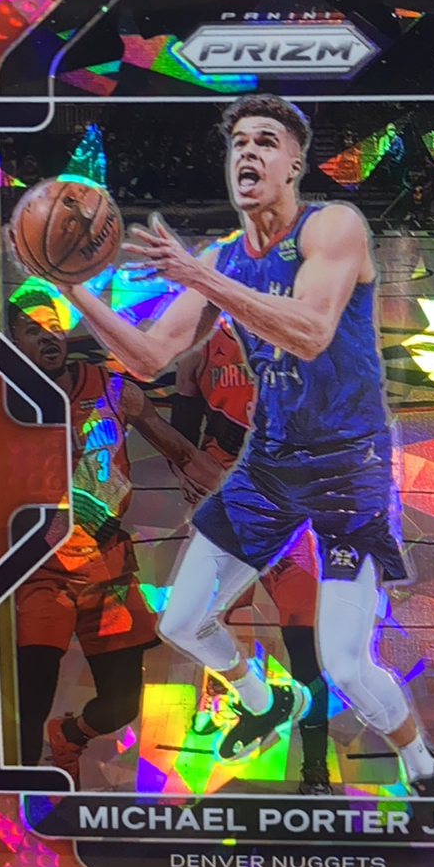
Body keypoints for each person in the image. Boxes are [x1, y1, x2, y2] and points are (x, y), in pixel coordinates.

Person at [61, 93, 434, 797]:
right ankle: (265, 700)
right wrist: (71, 287)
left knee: (344, 662)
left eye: (267, 140)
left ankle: (422, 764)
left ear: (296, 162)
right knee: (181, 620)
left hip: (347, 471)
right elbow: (149, 357)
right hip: (270, 467)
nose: (248, 151)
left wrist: (202, 277)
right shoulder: (222, 257)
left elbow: (311, 331)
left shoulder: (332, 226)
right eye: (239, 141)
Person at [8, 284, 223, 786]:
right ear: (12, 341)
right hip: (41, 568)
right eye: (33, 331)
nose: (48, 338)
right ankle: (19, 800)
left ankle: (70, 735)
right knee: (29, 701)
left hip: (106, 565)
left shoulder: (112, 387)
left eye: (54, 327)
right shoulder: (3, 401)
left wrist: (242, 496)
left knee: (123, 703)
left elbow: (182, 452)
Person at [171, 321, 332, 795]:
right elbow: (184, 430)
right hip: (225, 494)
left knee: (301, 633)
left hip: (283, 504)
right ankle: (237, 718)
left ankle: (315, 768)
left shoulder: (300, 330)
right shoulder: (203, 338)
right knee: (208, 623)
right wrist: (187, 470)